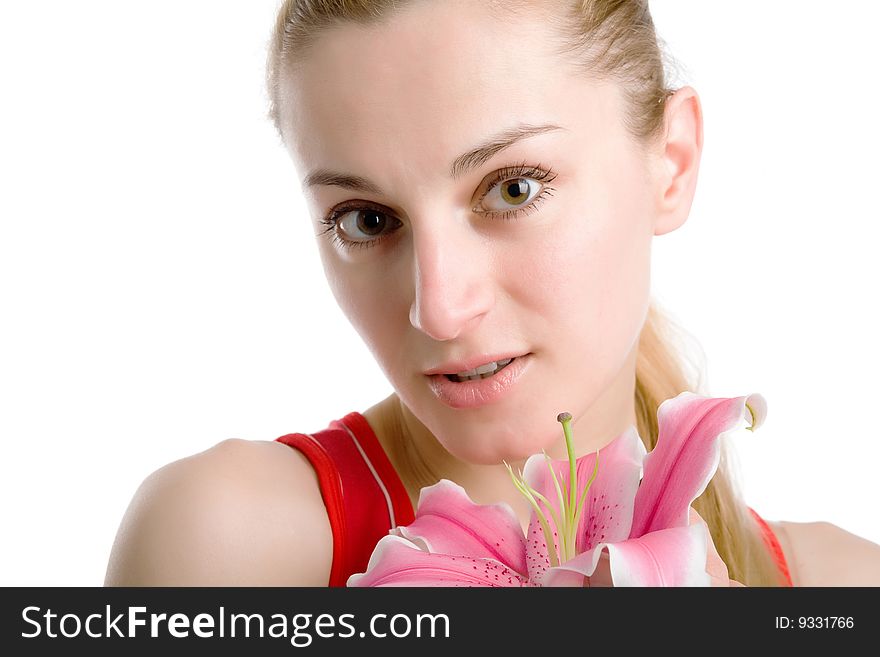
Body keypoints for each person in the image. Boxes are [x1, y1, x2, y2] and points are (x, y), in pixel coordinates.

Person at [103, 0, 880, 587]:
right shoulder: (224, 547)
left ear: (671, 163)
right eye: (366, 219)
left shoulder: (839, 586)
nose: (438, 307)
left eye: (512, 188)